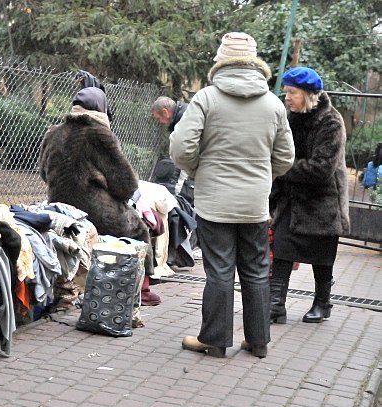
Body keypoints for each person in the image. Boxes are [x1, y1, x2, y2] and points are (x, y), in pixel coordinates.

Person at [169, 32, 295, 358]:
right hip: (254, 203)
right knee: (255, 270)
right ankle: (258, 341)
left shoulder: (206, 98)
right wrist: (261, 177)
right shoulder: (273, 104)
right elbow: (285, 158)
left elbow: (182, 149)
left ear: (221, 61)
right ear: (254, 62)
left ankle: (214, 339)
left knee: (220, 271)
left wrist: (200, 171)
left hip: (214, 202)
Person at [39, 87, 161, 306]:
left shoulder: (53, 132)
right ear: (101, 108)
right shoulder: (99, 133)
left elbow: (43, 174)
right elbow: (126, 184)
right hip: (94, 212)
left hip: (59, 209)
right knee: (139, 228)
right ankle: (141, 288)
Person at [268, 66, 350, 324]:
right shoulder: (290, 117)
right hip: (291, 199)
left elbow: (322, 169)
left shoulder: (331, 121)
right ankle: (274, 305)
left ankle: (322, 303)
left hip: (323, 202)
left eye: (292, 92)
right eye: (286, 92)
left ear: (308, 94)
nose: (287, 97)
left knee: (322, 257)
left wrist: (282, 168)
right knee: (282, 250)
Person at [150, 97, 189, 196]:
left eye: (159, 118)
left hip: (189, 160)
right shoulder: (183, 113)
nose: (161, 122)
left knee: (178, 187)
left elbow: (183, 151)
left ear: (165, 112)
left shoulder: (183, 119)